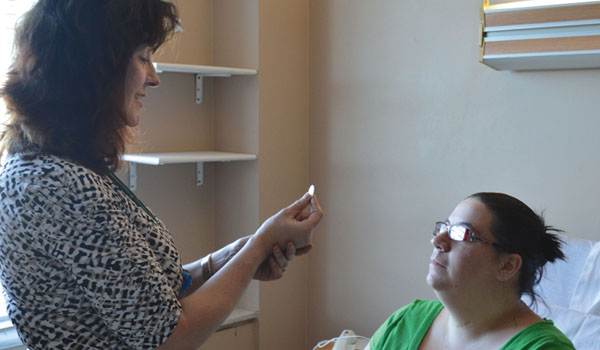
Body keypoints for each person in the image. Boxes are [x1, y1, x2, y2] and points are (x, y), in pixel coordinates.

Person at [0, 1, 323, 350]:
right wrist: (260, 244)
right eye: (142, 57)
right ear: (95, 68)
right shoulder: (62, 188)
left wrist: (227, 261)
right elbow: (169, 336)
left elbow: (139, 299)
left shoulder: (46, 169)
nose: (153, 77)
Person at [366, 192, 574, 350]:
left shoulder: (543, 347)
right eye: (445, 227)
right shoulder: (407, 320)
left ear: (507, 266)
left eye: (462, 233)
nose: (437, 240)